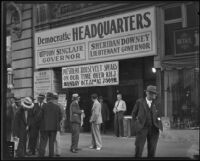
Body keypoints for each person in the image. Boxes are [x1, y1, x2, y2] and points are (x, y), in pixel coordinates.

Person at [131, 85, 163, 158]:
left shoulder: (157, 103)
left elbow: (159, 114)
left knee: (152, 150)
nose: (155, 95)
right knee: (139, 149)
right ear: (147, 93)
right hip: (142, 128)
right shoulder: (139, 102)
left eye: (155, 93)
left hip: (153, 128)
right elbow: (133, 114)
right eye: (153, 93)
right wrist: (136, 125)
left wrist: (158, 123)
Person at [38, 92, 62, 157]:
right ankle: (51, 155)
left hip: (44, 128)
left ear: (47, 99)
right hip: (54, 128)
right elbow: (60, 117)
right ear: (52, 99)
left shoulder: (44, 106)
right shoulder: (57, 107)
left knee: (43, 143)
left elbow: (39, 117)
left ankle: (41, 155)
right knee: (51, 143)